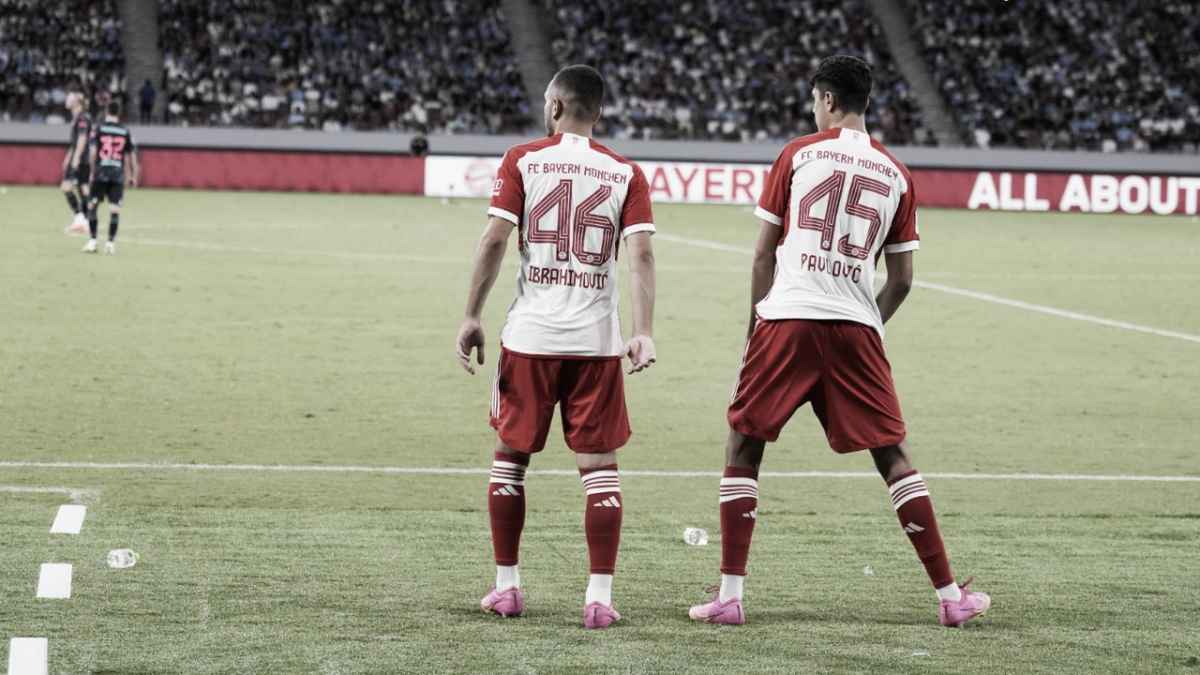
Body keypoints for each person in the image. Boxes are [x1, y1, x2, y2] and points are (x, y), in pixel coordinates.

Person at [687, 55, 990, 627]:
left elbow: (762, 254)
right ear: (865, 102)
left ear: (825, 100)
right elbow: (901, 281)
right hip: (855, 325)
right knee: (892, 453)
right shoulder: (897, 173)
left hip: (788, 320)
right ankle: (950, 597)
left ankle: (730, 596)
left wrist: (757, 329)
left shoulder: (798, 153)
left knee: (744, 443)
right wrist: (864, 321)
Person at [454, 65, 657, 629]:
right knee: (599, 469)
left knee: (510, 461)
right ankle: (598, 598)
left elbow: (496, 237)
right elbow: (640, 254)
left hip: (530, 338)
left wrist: (471, 314)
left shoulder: (523, 159)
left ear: (554, 107)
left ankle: (507, 587)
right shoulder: (625, 172)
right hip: (596, 342)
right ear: (598, 113)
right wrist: (642, 331)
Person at [84, 100, 139, 255]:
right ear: (119, 112)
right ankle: (110, 243)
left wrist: (91, 171)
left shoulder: (99, 128)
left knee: (93, 206)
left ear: (107, 111)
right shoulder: (125, 131)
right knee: (114, 210)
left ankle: (93, 241)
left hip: (101, 172)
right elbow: (130, 156)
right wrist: (132, 175)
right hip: (117, 174)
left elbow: (93, 152)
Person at [60, 91, 92, 234]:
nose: (67, 99)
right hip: (79, 158)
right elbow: (74, 142)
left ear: (77, 102)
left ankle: (81, 219)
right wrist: (68, 157)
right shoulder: (77, 118)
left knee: (67, 187)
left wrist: (75, 158)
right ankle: (85, 221)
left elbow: (82, 139)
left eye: (70, 97)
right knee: (82, 188)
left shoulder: (82, 118)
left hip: (80, 159)